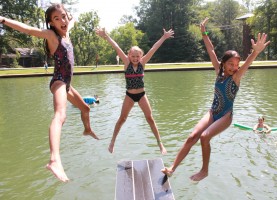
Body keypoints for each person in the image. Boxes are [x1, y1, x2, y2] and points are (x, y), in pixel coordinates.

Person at [161, 17, 270, 182]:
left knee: (205, 137)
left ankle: (204, 170)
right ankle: (172, 168)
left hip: (226, 116)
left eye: (237, 64)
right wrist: (204, 33)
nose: (235, 67)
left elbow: (248, 63)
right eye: (231, 64)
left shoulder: (236, 77)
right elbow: (211, 50)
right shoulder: (219, 73)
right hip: (213, 112)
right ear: (224, 64)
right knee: (192, 137)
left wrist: (256, 52)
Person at [0, 3, 99, 182]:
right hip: (59, 82)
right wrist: (3, 20)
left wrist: (74, 16)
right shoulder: (51, 35)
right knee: (60, 116)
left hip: (67, 85)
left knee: (85, 109)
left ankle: (87, 130)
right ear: (51, 23)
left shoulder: (67, 31)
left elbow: (72, 20)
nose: (62, 20)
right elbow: (28, 30)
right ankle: (54, 159)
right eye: (56, 18)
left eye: (63, 16)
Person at [95, 27, 174, 155]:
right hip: (130, 95)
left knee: (150, 118)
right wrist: (106, 36)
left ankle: (160, 144)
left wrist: (163, 37)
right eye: (133, 56)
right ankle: (112, 142)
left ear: (141, 56)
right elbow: (116, 47)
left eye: (138, 56)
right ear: (129, 56)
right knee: (122, 119)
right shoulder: (126, 63)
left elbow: (153, 49)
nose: (135, 58)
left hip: (142, 95)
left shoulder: (143, 63)